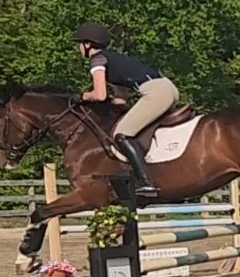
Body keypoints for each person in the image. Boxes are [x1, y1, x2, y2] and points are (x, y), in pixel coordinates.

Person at [71, 21, 180, 195]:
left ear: (87, 44)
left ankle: (145, 181)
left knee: (121, 134)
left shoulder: (97, 60)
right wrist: (114, 101)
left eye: (79, 43)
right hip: (167, 88)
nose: (78, 48)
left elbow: (100, 94)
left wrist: (82, 96)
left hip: (156, 92)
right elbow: (122, 97)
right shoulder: (114, 58)